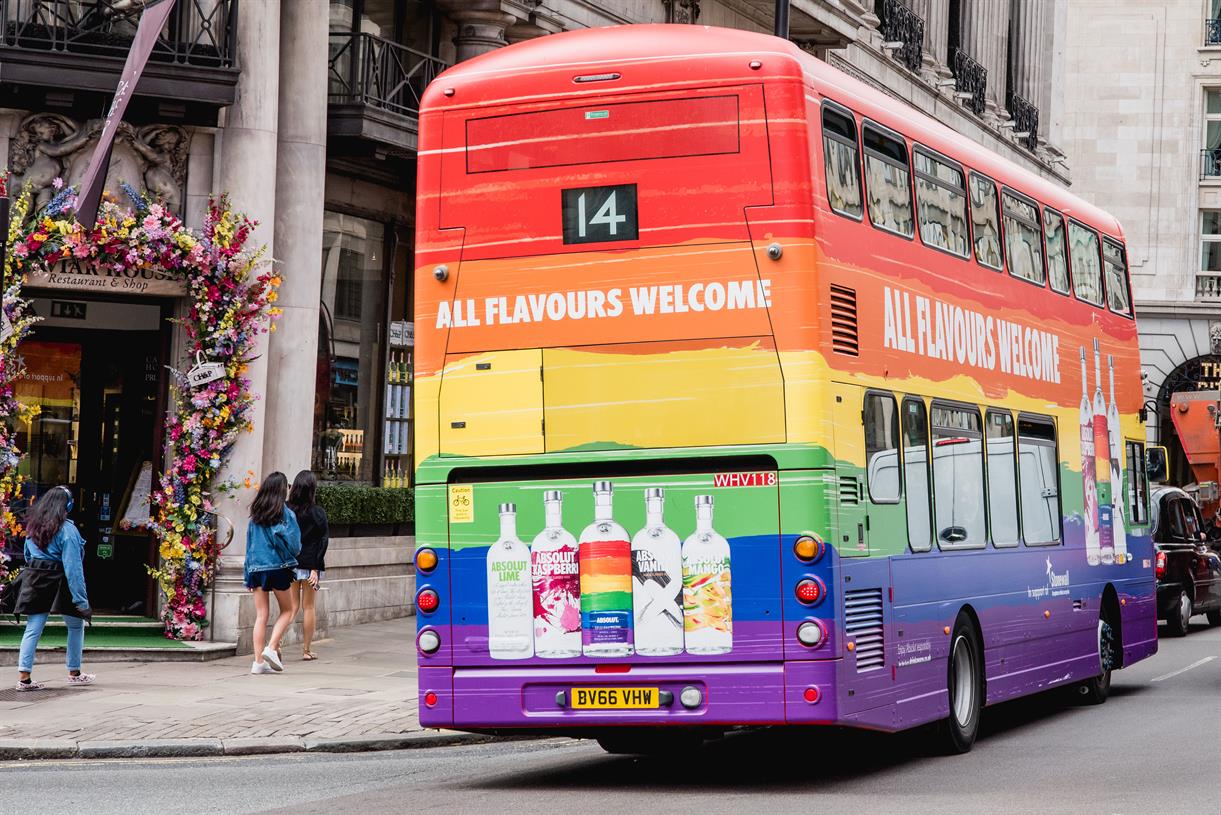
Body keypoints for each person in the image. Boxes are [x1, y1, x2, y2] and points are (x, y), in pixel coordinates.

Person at [14, 486, 94, 691]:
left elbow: (28, 556)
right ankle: (74, 672)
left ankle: (24, 677)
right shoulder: (68, 530)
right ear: (67, 505)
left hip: (37, 578)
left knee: (33, 627)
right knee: (76, 625)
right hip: (61, 580)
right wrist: (82, 601)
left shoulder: (33, 527)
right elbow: (73, 568)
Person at [244, 472, 301, 675]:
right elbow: (295, 546)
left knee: (261, 615)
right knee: (288, 609)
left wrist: (247, 574)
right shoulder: (285, 514)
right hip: (278, 567)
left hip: (256, 569)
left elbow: (248, 547)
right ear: (282, 490)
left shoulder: (255, 516)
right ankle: (272, 647)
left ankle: (258, 662)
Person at [287, 470, 329, 661]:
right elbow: (323, 541)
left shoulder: (287, 510)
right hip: (311, 564)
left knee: (292, 606)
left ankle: (276, 644)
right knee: (309, 606)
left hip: (291, 563)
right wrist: (315, 568)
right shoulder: (318, 513)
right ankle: (306, 650)